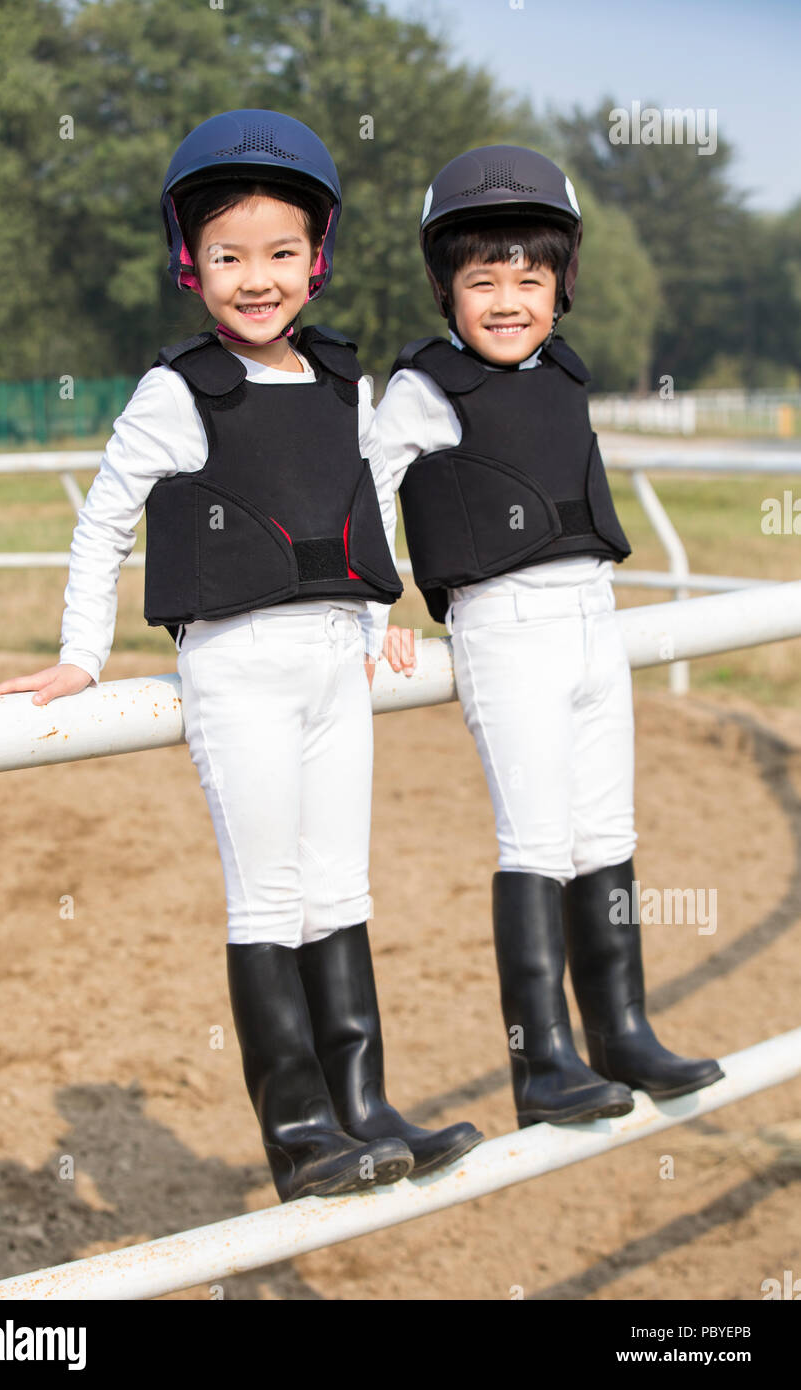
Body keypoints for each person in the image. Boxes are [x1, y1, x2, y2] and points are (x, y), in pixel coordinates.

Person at [0, 110, 482, 1200]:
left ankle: (364, 1105)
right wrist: (80, 655)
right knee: (267, 897)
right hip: (238, 670)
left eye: (279, 254)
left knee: (338, 891)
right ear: (189, 263)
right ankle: (300, 1129)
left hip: (333, 667)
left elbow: (357, 514)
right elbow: (102, 521)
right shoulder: (178, 390)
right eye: (226, 257)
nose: (255, 279)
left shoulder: (344, 383)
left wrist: (380, 611)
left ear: (317, 259)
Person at [375, 145, 724, 1128]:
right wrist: (378, 604)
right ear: (443, 285)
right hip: (504, 627)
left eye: (528, 278)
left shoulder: (563, 371)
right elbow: (364, 495)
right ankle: (542, 1065)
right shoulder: (423, 385)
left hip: (589, 623)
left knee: (607, 834)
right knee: (533, 841)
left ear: (560, 282)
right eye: (480, 279)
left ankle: (620, 1029)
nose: (505, 299)